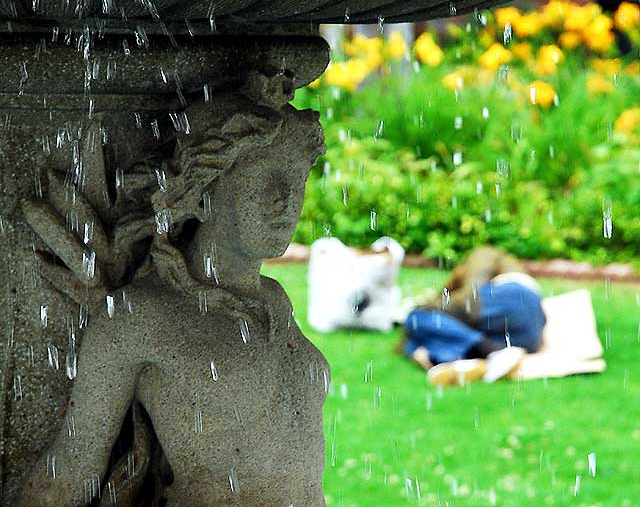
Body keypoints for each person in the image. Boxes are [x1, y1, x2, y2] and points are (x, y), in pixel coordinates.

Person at [20, 87, 329, 506]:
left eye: (296, 180)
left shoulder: (274, 302)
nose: (286, 201)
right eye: (264, 180)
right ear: (200, 195)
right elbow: (72, 469)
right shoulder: (139, 316)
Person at [402, 247, 546, 386]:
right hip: (527, 339)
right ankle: (472, 361)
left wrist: (424, 309)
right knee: (438, 334)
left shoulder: (484, 254)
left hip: (516, 298)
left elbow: (469, 303)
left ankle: (490, 351)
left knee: (415, 318)